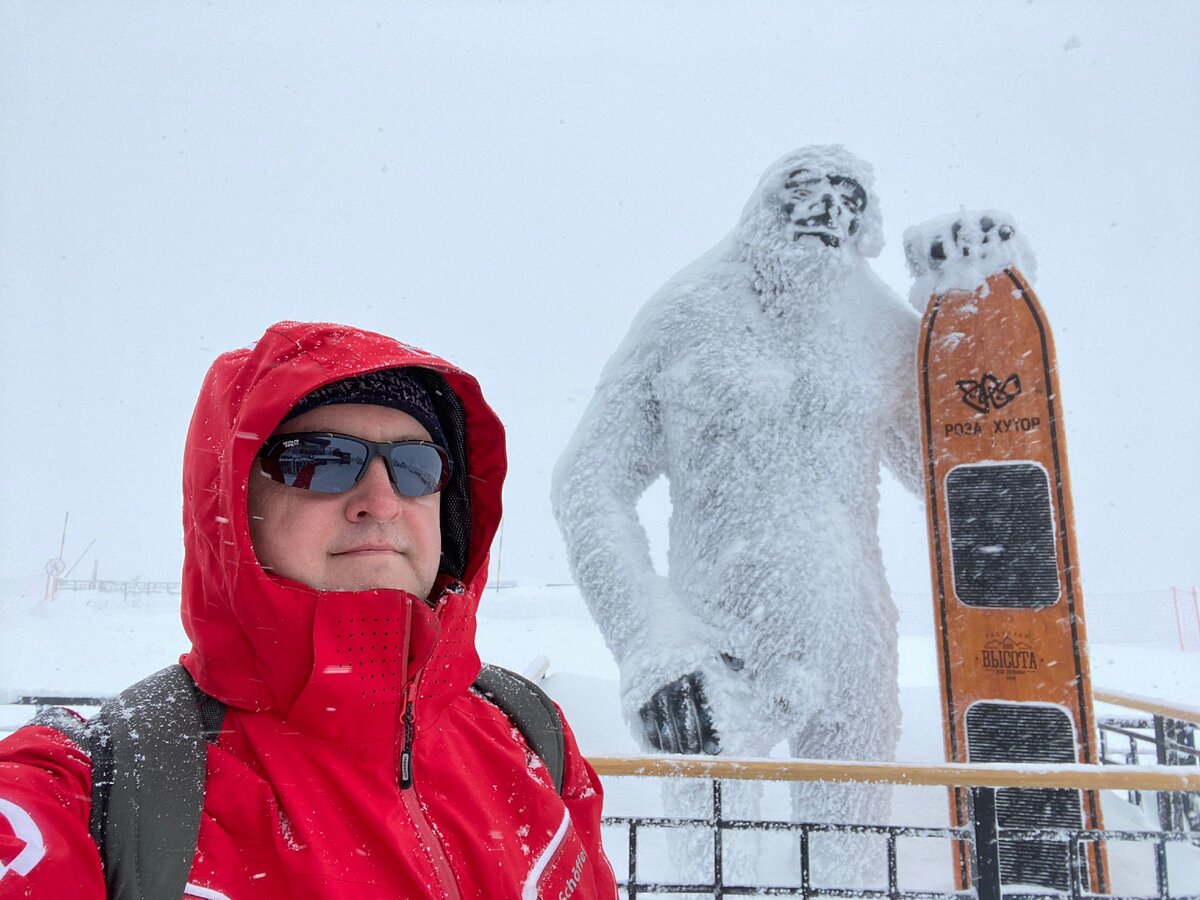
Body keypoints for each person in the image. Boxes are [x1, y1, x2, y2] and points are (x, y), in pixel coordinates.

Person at [0, 321, 617, 898]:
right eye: (321, 460)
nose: (381, 500)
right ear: (233, 505)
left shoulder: (529, 734)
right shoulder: (96, 792)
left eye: (415, 466)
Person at [552, 145, 923, 881]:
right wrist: (652, 641)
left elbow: (948, 476)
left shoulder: (885, 330)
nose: (828, 213)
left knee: (850, 875)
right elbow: (587, 484)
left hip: (854, 638)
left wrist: (973, 319)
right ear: (763, 206)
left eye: (850, 202)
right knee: (710, 874)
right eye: (807, 194)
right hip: (717, 642)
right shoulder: (687, 313)